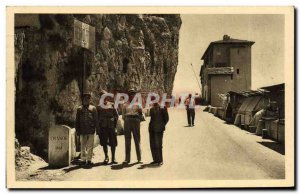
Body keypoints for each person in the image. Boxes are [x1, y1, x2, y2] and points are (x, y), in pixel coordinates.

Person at [75, 92, 99, 167]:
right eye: (85, 99)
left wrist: (97, 130)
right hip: (82, 130)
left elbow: (96, 120)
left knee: (90, 146)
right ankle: (83, 159)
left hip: (91, 130)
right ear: (83, 100)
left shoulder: (93, 108)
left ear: (89, 100)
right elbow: (77, 121)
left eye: (88, 99)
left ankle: (89, 160)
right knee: (82, 145)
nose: (86, 100)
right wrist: (77, 130)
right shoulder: (79, 109)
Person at [97, 90, 119, 165]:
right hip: (103, 127)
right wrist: (98, 128)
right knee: (104, 142)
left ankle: (113, 158)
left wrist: (115, 125)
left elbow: (116, 116)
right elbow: (97, 118)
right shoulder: (99, 107)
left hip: (111, 126)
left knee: (113, 143)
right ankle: (106, 157)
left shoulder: (112, 105)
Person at [122, 88, 143, 164]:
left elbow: (141, 114)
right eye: (130, 94)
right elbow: (123, 116)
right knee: (127, 140)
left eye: (133, 94)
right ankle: (127, 159)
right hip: (127, 121)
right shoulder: (125, 104)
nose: (132, 95)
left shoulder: (138, 104)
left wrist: (137, 119)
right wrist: (127, 120)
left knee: (137, 140)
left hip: (135, 121)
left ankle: (139, 158)